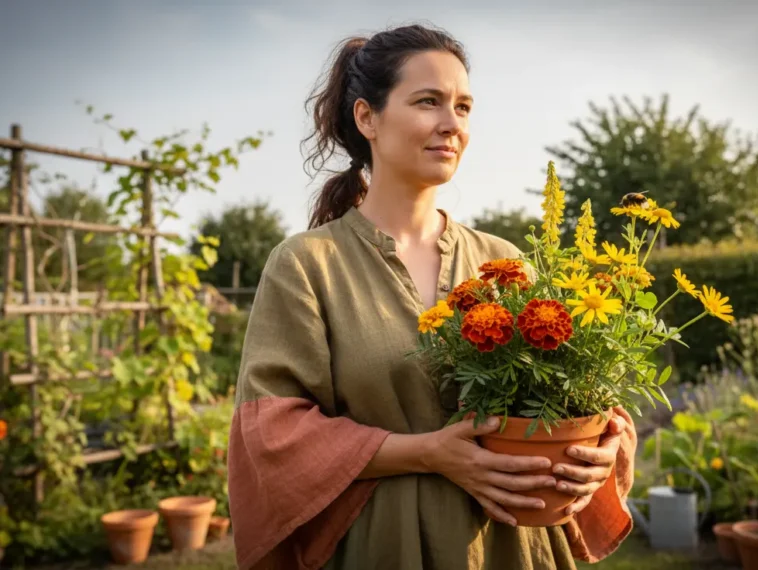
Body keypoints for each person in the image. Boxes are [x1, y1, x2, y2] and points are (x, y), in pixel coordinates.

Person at [227, 23, 637, 570]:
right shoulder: (307, 264)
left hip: (518, 543)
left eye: (463, 107)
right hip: (386, 543)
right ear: (367, 117)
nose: (452, 125)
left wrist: (603, 447)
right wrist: (426, 453)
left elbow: (573, 398)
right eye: (428, 102)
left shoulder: (506, 264)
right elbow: (273, 433)